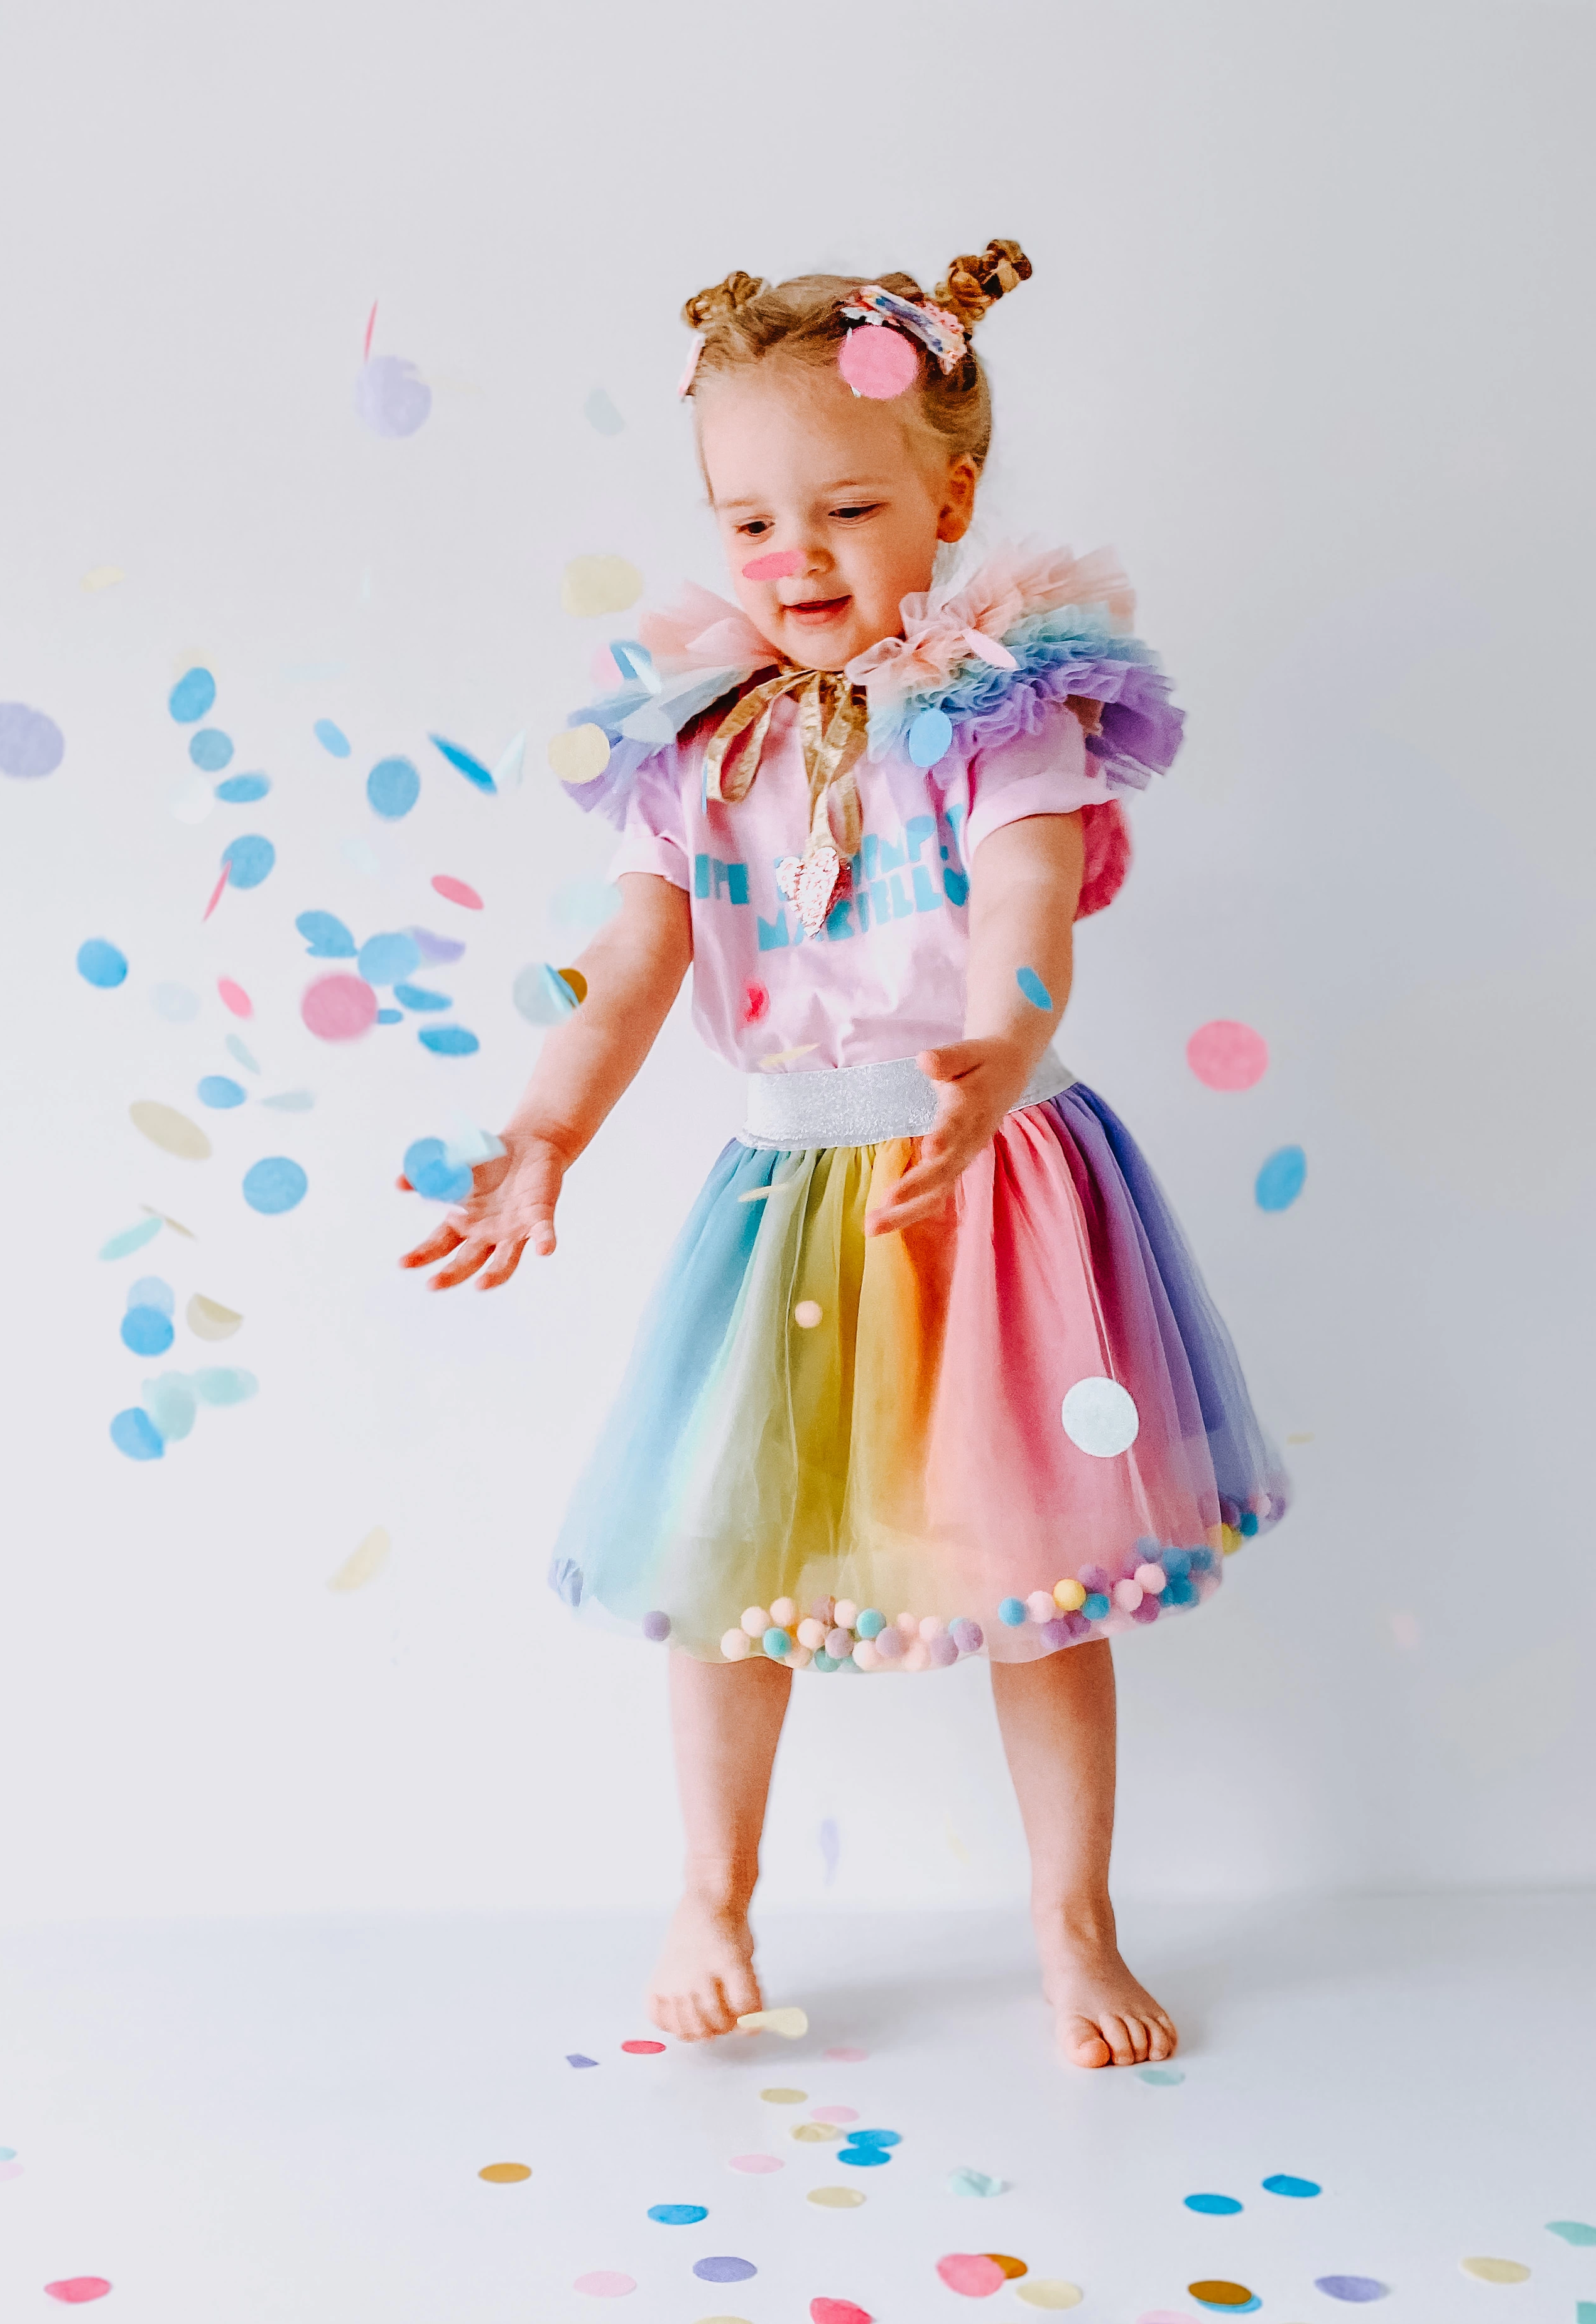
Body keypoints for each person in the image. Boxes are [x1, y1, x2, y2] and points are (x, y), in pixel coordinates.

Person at [404, 242, 1289, 2069]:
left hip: (990, 1172)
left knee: (1036, 1578)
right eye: (748, 520)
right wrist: (542, 1127)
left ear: (949, 498)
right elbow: (635, 967)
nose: (793, 554)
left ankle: (1072, 1920)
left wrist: (999, 1045)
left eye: (847, 505)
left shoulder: (999, 707)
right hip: (788, 1193)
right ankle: (709, 1891)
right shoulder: (692, 741)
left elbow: (1029, 915)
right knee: (730, 1559)